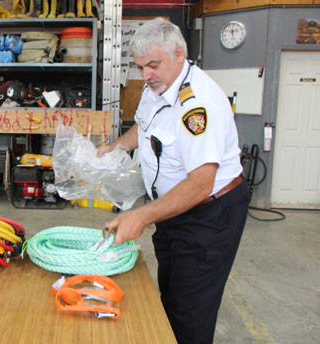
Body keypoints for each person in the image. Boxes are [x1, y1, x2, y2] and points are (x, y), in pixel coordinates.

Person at [97, 17, 250, 344]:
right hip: (173, 213)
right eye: (140, 67)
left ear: (179, 54)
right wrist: (116, 146)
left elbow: (200, 183)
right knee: (171, 297)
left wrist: (139, 215)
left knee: (189, 313)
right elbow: (146, 125)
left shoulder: (197, 105)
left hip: (208, 216)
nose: (146, 75)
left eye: (153, 65)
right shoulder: (158, 86)